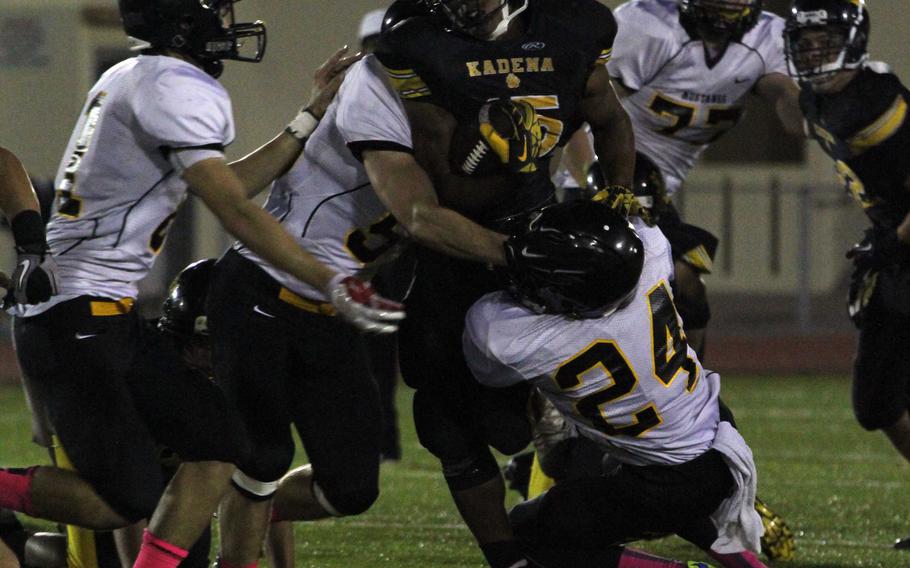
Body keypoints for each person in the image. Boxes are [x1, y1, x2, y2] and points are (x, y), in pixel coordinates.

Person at [0, 3, 386, 568]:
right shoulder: (176, 86)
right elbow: (233, 207)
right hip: (80, 314)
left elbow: (228, 185)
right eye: (218, 11)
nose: (228, 24)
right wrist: (327, 278)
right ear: (183, 21)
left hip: (100, 311)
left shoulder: (131, 74)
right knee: (120, 501)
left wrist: (306, 118)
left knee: (221, 442)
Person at [207, 45, 523, 568]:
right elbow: (420, 215)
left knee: (352, 488)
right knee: (261, 461)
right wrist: (516, 255)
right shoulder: (375, 94)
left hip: (334, 312)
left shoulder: (463, 129)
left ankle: (238, 507)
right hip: (264, 290)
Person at [375, 1, 639, 565]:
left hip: (542, 231)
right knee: (444, 420)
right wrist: (502, 163)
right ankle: (506, 557)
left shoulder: (574, 25)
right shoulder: (417, 39)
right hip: (459, 241)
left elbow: (610, 118)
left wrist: (617, 192)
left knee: (595, 394)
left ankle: (684, 497)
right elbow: (443, 182)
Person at [464, 199, 768, 568]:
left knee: (531, 529)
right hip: (712, 428)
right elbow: (633, 229)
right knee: (648, 478)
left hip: (668, 478)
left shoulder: (512, 337)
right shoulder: (652, 253)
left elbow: (485, 356)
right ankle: (746, 564)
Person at [560, 0, 803, 359]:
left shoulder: (770, 37)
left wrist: (828, 102)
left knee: (688, 290)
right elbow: (577, 116)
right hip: (600, 179)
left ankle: (694, 391)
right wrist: (593, 182)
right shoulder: (648, 25)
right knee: (614, 296)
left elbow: (791, 109)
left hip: (658, 196)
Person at [784, 0, 910, 549]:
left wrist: (889, 240)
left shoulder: (877, 99)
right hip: (894, 253)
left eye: (825, 40)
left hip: (899, 248)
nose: (814, 52)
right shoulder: (814, 98)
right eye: (806, 43)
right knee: (876, 403)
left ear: (854, 39)